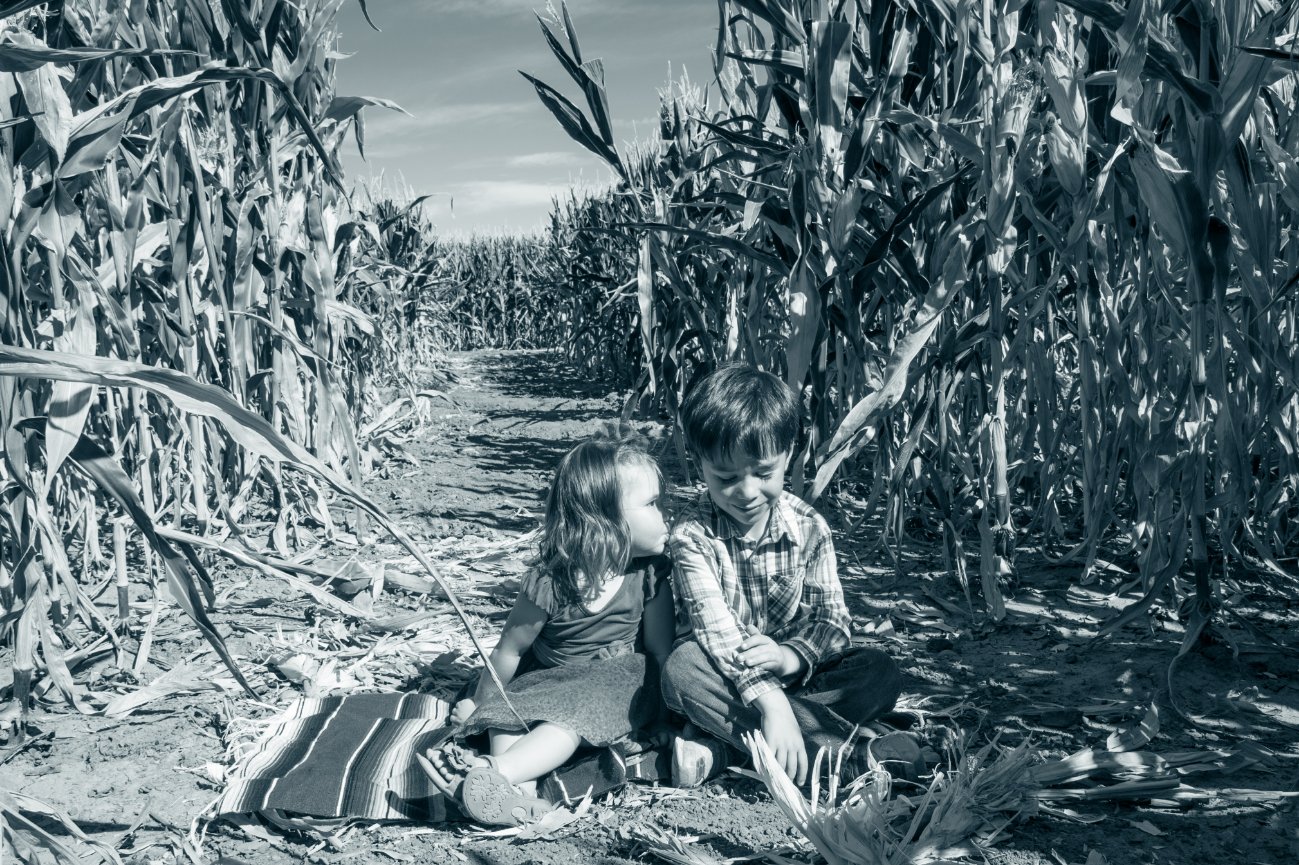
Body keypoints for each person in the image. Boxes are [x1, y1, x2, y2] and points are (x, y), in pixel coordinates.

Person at [418, 424, 674, 827]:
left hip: (610, 683)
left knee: (568, 723)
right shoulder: (550, 581)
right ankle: (520, 800)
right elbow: (511, 651)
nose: (664, 516)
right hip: (544, 682)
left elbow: (658, 653)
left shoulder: (651, 576)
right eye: (653, 504)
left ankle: (491, 771)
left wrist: (661, 714)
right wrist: (483, 706)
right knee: (509, 717)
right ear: (604, 520)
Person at [663, 364, 903, 788]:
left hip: (792, 678)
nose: (747, 491)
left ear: (789, 454)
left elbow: (833, 622)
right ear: (699, 463)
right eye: (726, 477)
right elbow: (716, 632)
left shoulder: (809, 527)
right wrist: (771, 701)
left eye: (763, 472)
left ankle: (724, 745)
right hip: (724, 676)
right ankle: (840, 761)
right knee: (681, 669)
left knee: (879, 671)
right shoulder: (692, 536)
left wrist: (790, 657)